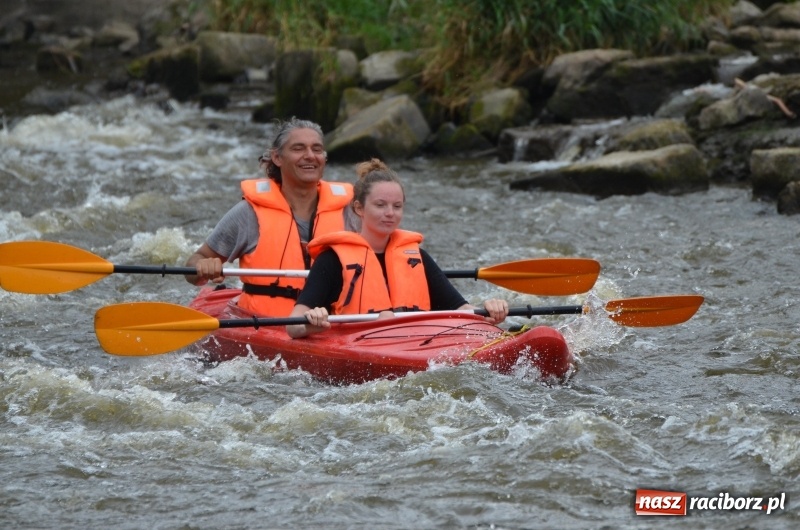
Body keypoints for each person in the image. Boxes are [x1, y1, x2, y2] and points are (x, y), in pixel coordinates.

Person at [286, 158, 509, 338]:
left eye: (397, 206)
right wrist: (312, 322)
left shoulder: (416, 257)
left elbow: (461, 310)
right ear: (359, 208)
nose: (390, 213)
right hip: (357, 345)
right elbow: (293, 326)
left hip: (415, 343)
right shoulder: (332, 260)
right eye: (380, 205)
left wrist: (488, 312)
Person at [184, 117, 357, 316]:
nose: (310, 156)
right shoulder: (248, 214)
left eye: (317, 149)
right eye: (298, 148)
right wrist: (203, 266)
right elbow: (194, 265)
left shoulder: (351, 213)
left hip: (333, 321)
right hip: (264, 321)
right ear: (277, 157)